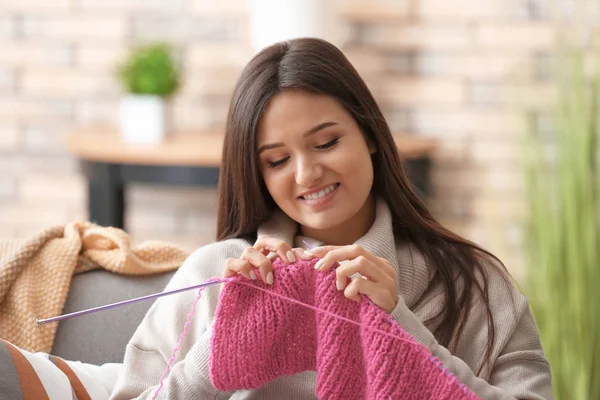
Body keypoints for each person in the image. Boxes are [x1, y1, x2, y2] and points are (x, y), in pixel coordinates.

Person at [110, 38, 553, 399]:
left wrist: (405, 332)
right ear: (257, 174)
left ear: (371, 135)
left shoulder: (473, 282)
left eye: (326, 143)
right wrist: (217, 356)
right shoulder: (212, 275)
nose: (306, 173)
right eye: (278, 160)